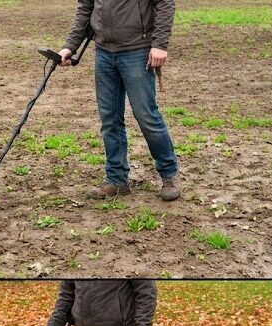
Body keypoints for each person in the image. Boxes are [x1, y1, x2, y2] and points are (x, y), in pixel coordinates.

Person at [59, 0, 181, 201]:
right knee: (110, 120)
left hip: (138, 51)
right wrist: (69, 46)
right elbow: (85, 8)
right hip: (104, 53)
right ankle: (116, 179)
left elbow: (165, 3)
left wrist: (159, 44)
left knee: (146, 117)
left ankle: (169, 174)